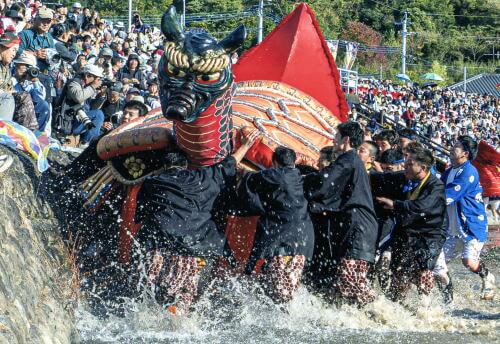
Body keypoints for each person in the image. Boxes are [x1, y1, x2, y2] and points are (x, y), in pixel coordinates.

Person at [136, 130, 261, 315]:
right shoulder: (201, 178)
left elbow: (140, 215)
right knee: (185, 295)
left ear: (164, 166)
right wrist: (246, 145)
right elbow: (229, 163)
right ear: (186, 166)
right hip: (194, 246)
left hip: (161, 246)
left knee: (153, 293)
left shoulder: (153, 182)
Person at [304, 121, 378, 305]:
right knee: (345, 283)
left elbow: (325, 182)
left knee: (350, 280)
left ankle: (379, 313)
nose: (333, 140)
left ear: (345, 139)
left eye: (336, 136)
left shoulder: (348, 159)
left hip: (358, 226)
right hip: (357, 225)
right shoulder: (353, 161)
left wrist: (300, 181)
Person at [235, 146, 314, 303]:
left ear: (275, 162)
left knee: (280, 289)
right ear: (294, 160)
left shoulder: (275, 174)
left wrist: (241, 172)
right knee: (289, 284)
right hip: (303, 237)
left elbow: (250, 179)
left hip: (283, 238)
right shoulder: (301, 176)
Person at [377, 147, 447, 303]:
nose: (405, 167)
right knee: (398, 273)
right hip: (406, 231)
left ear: (422, 168)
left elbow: (423, 206)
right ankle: (398, 304)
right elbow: (381, 178)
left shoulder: (436, 186)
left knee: (424, 273)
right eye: (405, 163)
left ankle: (430, 306)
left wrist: (396, 205)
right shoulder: (405, 177)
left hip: (430, 235)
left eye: (409, 164)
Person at [433, 136, 496, 302]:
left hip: (472, 226)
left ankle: (488, 277)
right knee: (436, 264)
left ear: (465, 154)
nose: (452, 148)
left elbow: (447, 196)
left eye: (456, 147)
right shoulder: (449, 172)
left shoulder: (469, 171)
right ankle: (447, 299)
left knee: (468, 261)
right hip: (453, 228)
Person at [59, 65, 105, 144]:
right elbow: (78, 97)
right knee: (99, 114)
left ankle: (88, 141)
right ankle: (87, 143)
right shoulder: (74, 83)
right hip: (67, 122)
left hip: (79, 120)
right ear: (87, 75)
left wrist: (101, 96)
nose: (98, 81)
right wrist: (93, 86)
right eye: (96, 78)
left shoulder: (85, 86)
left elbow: (90, 108)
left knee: (98, 114)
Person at [12, 52, 50, 131]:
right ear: (16, 65)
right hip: (14, 113)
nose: (25, 69)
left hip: (30, 116)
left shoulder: (30, 83)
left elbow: (41, 98)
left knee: (45, 105)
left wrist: (35, 81)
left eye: (29, 67)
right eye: (24, 65)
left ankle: (38, 134)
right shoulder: (11, 79)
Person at [0, 31, 20, 121]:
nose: (14, 54)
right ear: (3, 47)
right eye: (13, 50)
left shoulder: (6, 67)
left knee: (24, 97)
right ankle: (3, 133)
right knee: (8, 98)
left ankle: (27, 133)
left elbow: (10, 88)